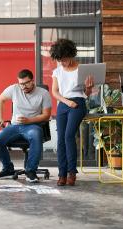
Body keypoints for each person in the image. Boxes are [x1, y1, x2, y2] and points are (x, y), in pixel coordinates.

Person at [50, 38, 97, 186]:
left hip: (78, 103)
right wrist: (67, 102)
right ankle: (61, 174)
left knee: (69, 136)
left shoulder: (81, 69)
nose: (62, 63)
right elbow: (55, 92)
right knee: (60, 139)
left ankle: (72, 172)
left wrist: (89, 88)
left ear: (71, 55)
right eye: (60, 60)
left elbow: (86, 93)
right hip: (64, 104)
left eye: (64, 59)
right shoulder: (57, 71)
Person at [0, 69, 52, 183]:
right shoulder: (14, 89)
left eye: (26, 83)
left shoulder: (43, 93)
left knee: (36, 134)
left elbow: (46, 115)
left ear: (32, 81)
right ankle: (7, 168)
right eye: (21, 84)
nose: (23, 86)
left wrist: (29, 120)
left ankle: (31, 171)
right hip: (14, 125)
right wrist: (0, 117)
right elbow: (0, 99)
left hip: (32, 125)